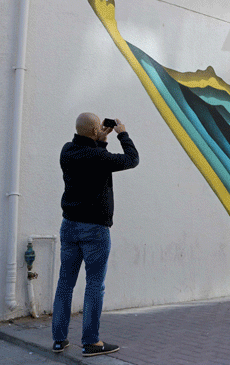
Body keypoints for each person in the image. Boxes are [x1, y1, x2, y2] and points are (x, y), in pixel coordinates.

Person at [52, 112, 139, 357]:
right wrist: (122, 133)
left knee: (65, 284)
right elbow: (132, 159)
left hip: (69, 226)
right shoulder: (99, 156)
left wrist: (99, 140)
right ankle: (91, 342)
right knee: (94, 285)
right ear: (93, 131)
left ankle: (59, 340)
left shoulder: (67, 151)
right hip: (95, 230)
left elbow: (89, 157)